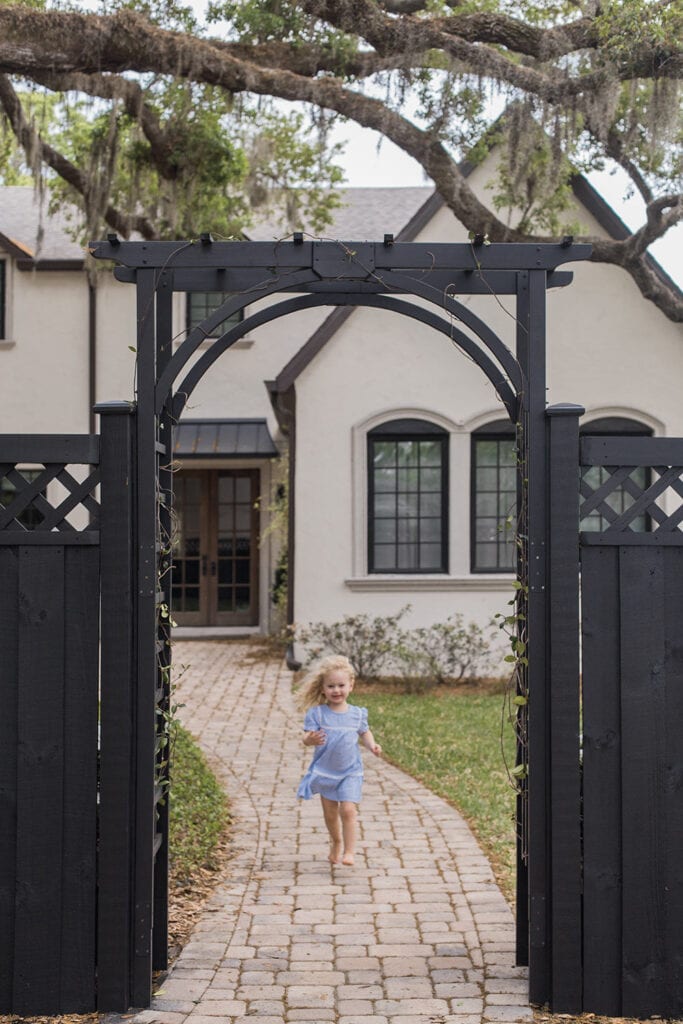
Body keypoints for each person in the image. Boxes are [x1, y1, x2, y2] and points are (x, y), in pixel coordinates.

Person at [296, 654, 382, 865]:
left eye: (341, 685)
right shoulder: (317, 714)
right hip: (326, 772)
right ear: (323, 688)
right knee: (331, 814)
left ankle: (349, 852)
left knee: (348, 810)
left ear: (351, 685)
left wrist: (372, 745)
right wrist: (310, 739)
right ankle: (336, 842)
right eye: (331, 686)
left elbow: (364, 732)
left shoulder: (356, 714)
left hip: (350, 772)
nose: (336, 690)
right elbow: (306, 738)